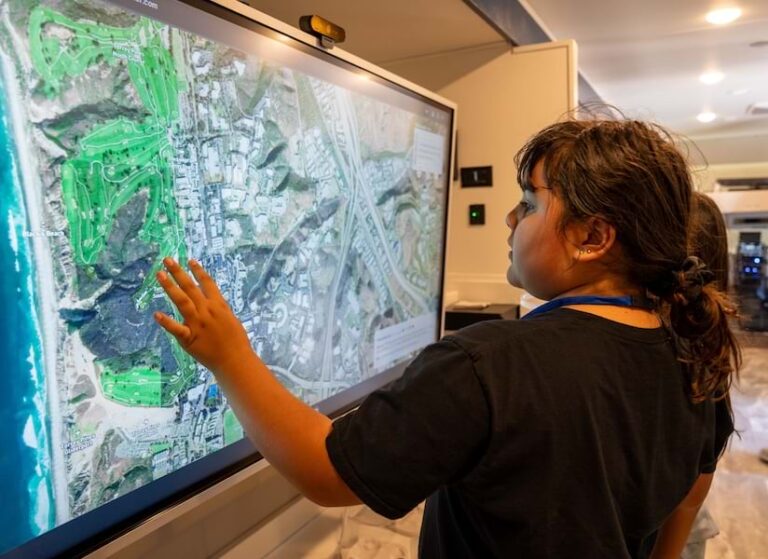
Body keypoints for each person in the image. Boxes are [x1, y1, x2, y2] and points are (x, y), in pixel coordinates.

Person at [153, 117, 740, 558]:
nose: (510, 220)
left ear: (592, 236)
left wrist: (228, 355)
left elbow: (327, 471)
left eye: (529, 202)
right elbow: (688, 496)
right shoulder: (695, 352)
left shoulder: (490, 364)